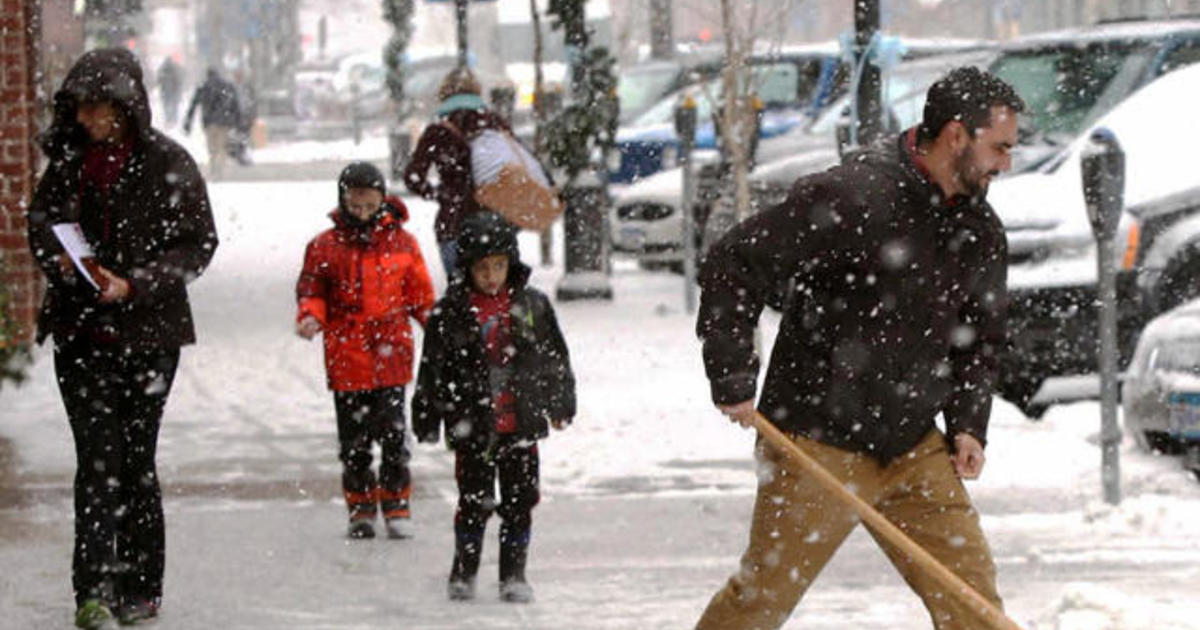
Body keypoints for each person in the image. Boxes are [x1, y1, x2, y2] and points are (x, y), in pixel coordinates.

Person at [691, 66, 1024, 630]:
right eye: (1000, 147)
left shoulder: (980, 230)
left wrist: (968, 422)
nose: (1005, 163)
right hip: (816, 440)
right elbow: (735, 263)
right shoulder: (853, 197)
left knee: (975, 606)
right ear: (955, 136)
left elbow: (981, 335)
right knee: (759, 602)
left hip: (914, 445)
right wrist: (731, 373)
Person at [25, 47, 219, 628]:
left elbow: (198, 243)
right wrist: (64, 266)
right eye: (80, 108)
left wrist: (135, 285)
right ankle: (93, 590)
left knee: (136, 462)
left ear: (124, 107)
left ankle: (140, 585)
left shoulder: (169, 163)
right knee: (97, 459)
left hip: (147, 335)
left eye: (97, 108)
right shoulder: (68, 162)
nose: (86, 119)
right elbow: (42, 224)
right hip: (81, 332)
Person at [413, 212, 575, 603]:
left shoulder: (531, 306)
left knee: (520, 502)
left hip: (520, 422)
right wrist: (427, 415)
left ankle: (513, 574)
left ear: (511, 265)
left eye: (499, 266)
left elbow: (555, 357)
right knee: (473, 501)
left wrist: (560, 402)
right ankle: (464, 571)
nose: (491, 276)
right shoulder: (449, 312)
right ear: (466, 269)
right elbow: (432, 366)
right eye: (482, 268)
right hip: (474, 424)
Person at [295, 162, 435, 541]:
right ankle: (360, 505)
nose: (361, 214)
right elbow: (312, 289)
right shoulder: (325, 246)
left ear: (382, 200)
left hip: (391, 354)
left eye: (369, 206)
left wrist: (434, 325)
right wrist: (311, 316)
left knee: (393, 434)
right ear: (343, 201)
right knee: (353, 441)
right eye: (354, 206)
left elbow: (419, 294)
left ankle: (396, 501)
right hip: (347, 354)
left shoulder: (403, 243)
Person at [403, 67, 511, 280]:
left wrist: (442, 194)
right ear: (477, 92)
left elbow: (413, 177)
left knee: (459, 296)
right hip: (492, 220)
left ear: (444, 94)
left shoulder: (438, 130)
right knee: (494, 296)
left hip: (452, 221)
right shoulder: (495, 124)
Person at [182, 67, 240, 179]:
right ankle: (220, 170)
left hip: (209, 122)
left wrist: (188, 123)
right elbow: (235, 104)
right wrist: (237, 120)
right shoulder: (227, 86)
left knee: (212, 147)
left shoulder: (204, 86)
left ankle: (214, 169)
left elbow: (193, 105)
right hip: (224, 121)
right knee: (222, 147)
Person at [155, 55, 183, 127]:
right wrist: (178, 90)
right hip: (173, 92)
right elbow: (178, 81)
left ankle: (168, 119)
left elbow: (158, 80)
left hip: (165, 92)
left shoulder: (162, 70)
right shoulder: (175, 69)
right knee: (174, 105)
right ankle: (173, 119)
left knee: (166, 105)